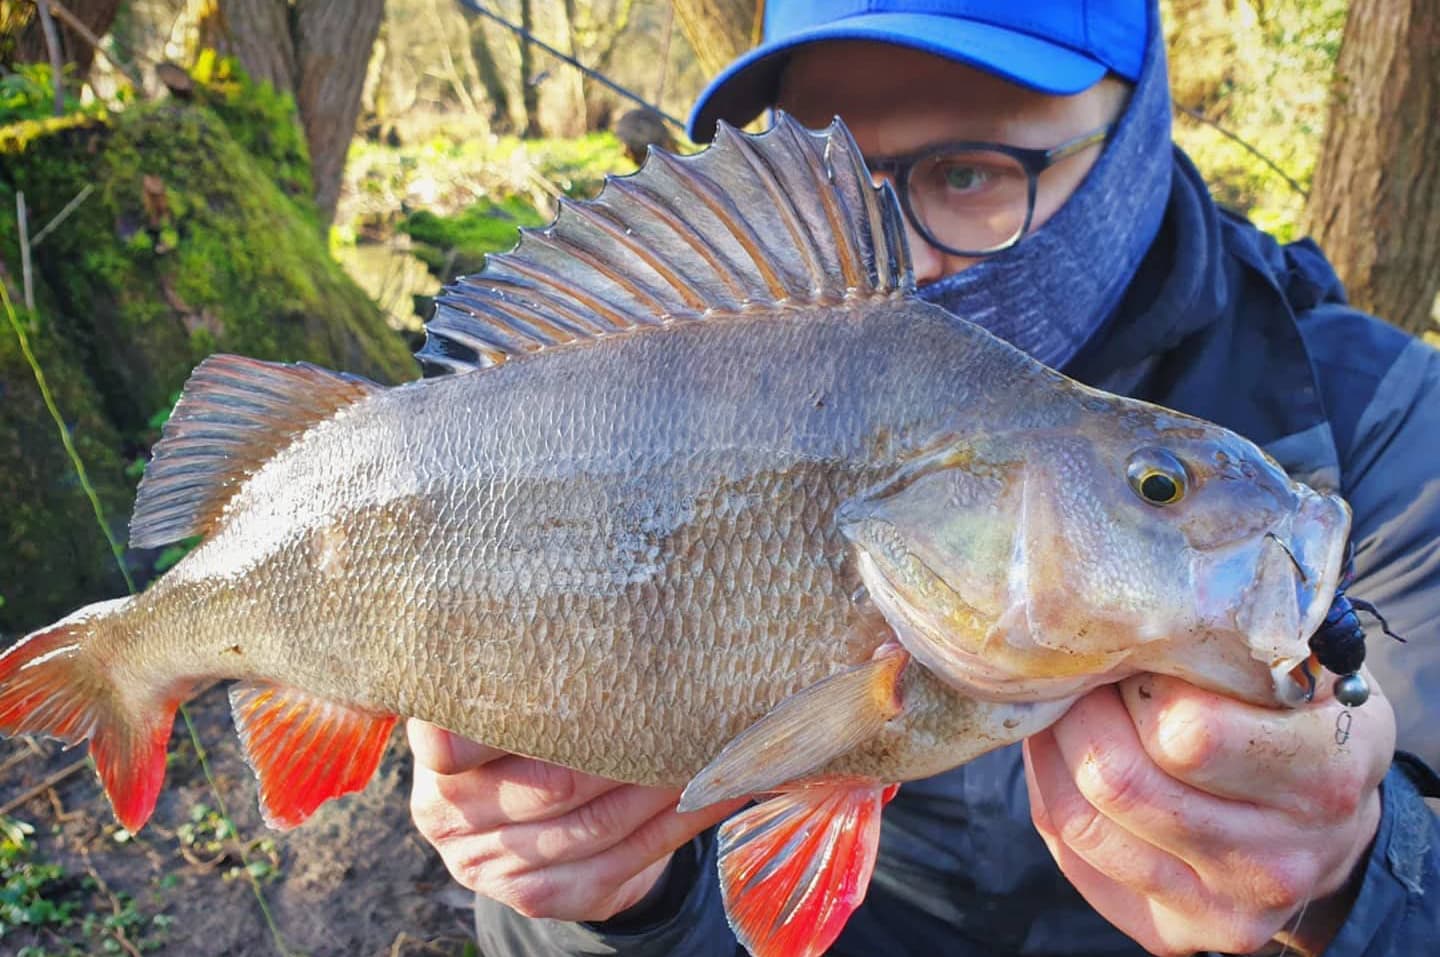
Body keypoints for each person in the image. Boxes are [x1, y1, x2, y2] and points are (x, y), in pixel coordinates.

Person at [408, 2, 1440, 954]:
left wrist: (1356, 877)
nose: (904, 259)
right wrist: (600, 905)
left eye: (970, 173)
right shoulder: (654, 389)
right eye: (845, 183)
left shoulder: (1388, 428)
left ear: (1133, 138)